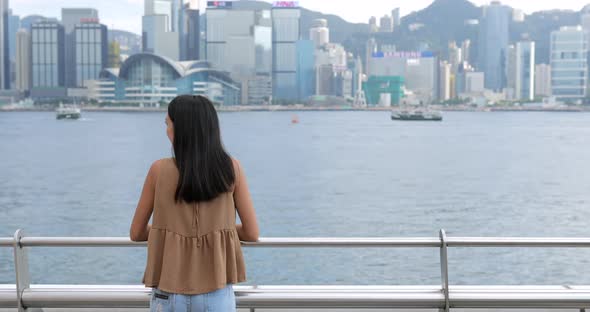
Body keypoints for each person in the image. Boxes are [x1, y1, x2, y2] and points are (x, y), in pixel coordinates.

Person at [130, 95, 259, 312]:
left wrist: (168, 231)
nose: (166, 130)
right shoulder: (231, 168)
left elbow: (136, 233)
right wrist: (219, 230)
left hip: (168, 293)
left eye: (167, 123)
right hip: (216, 293)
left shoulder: (158, 170)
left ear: (180, 129)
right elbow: (252, 233)